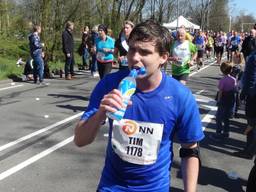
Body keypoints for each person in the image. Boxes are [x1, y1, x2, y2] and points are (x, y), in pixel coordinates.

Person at [74, 20, 204, 192]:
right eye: (132, 49)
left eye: (144, 52)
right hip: (111, 187)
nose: (135, 58)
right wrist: (100, 114)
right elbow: (80, 140)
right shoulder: (110, 85)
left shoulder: (180, 96)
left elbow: (190, 150)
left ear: (163, 57)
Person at [234, 50, 256, 159]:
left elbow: (251, 78)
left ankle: (249, 151)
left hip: (253, 95)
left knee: (251, 123)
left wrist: (243, 93)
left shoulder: (253, 57)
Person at [213, 61, 237, 139]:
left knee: (219, 117)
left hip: (223, 99)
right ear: (231, 70)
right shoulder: (233, 79)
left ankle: (218, 133)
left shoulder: (222, 80)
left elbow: (220, 92)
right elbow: (235, 89)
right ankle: (226, 132)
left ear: (222, 70)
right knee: (226, 117)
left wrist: (218, 101)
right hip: (230, 99)